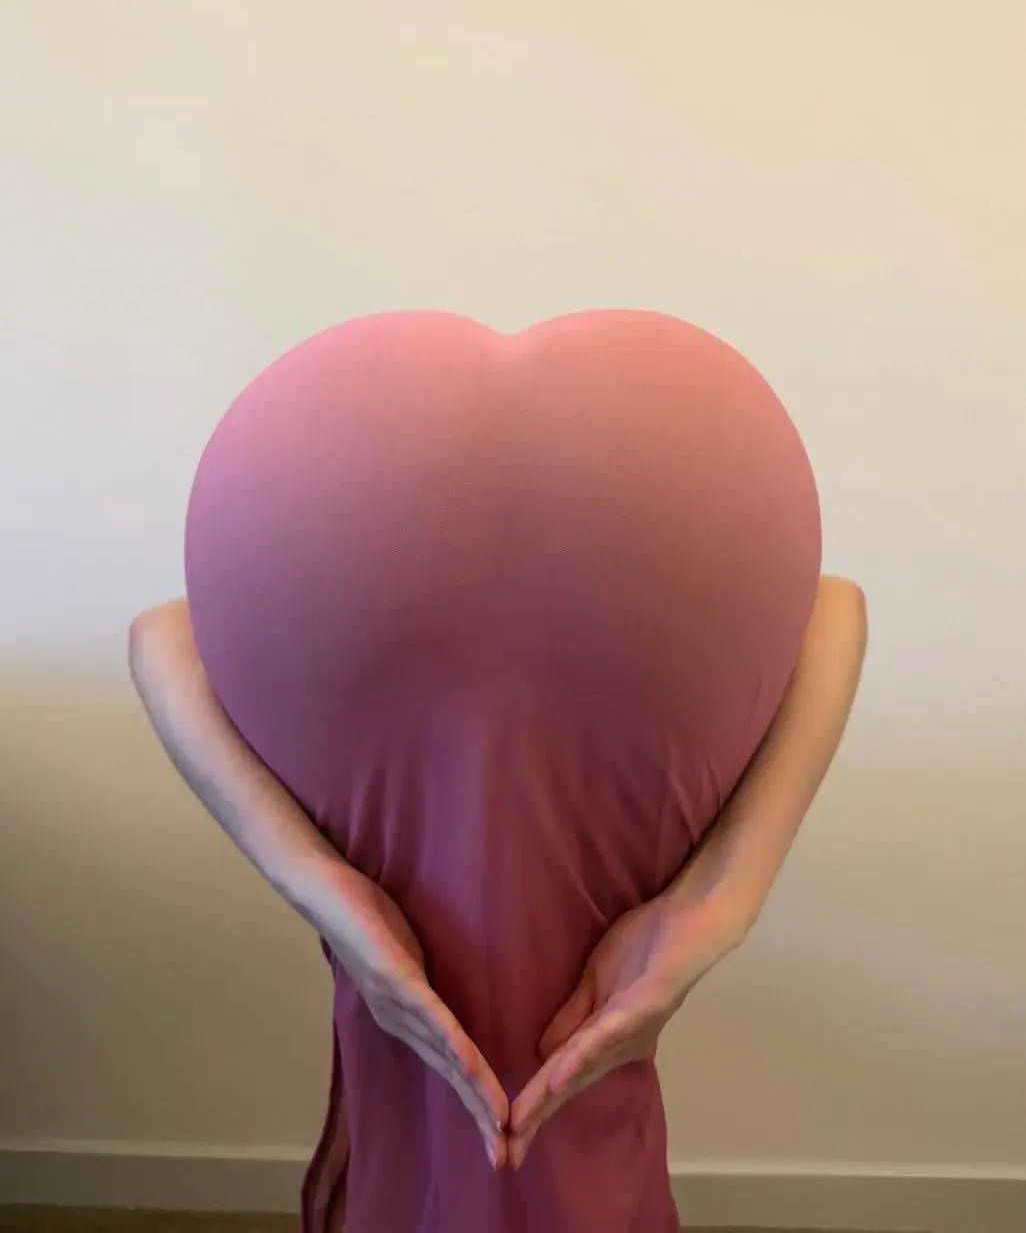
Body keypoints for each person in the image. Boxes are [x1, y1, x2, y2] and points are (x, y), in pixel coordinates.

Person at [129, 311, 868, 1233]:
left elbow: (161, 636)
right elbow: (835, 610)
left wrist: (316, 880)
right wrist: (719, 900)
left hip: (403, 433)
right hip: (644, 435)